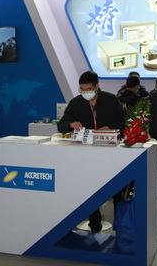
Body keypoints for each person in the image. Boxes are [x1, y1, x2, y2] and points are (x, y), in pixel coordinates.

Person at [57, 71, 124, 233]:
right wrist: (71, 124)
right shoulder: (76, 103)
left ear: (97, 86)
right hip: (86, 155)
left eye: (88, 89)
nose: (85, 92)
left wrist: (110, 128)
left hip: (110, 153)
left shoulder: (110, 100)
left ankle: (121, 225)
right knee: (90, 189)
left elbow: (122, 122)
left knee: (116, 190)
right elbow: (61, 125)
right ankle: (95, 226)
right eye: (82, 89)